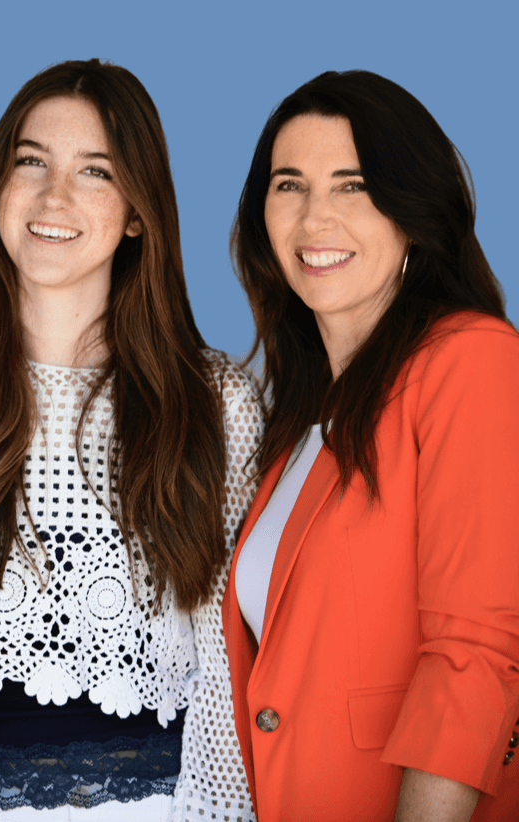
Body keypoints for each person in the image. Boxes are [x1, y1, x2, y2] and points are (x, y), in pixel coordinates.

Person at [0, 60, 262, 821]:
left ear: (138, 213)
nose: (53, 197)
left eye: (95, 172)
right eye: (31, 162)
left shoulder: (213, 401)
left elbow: (228, 664)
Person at [223, 69, 519, 822]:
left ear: (414, 213)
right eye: (289, 185)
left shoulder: (471, 361)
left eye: (352, 186)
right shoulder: (299, 418)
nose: (315, 217)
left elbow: (476, 656)